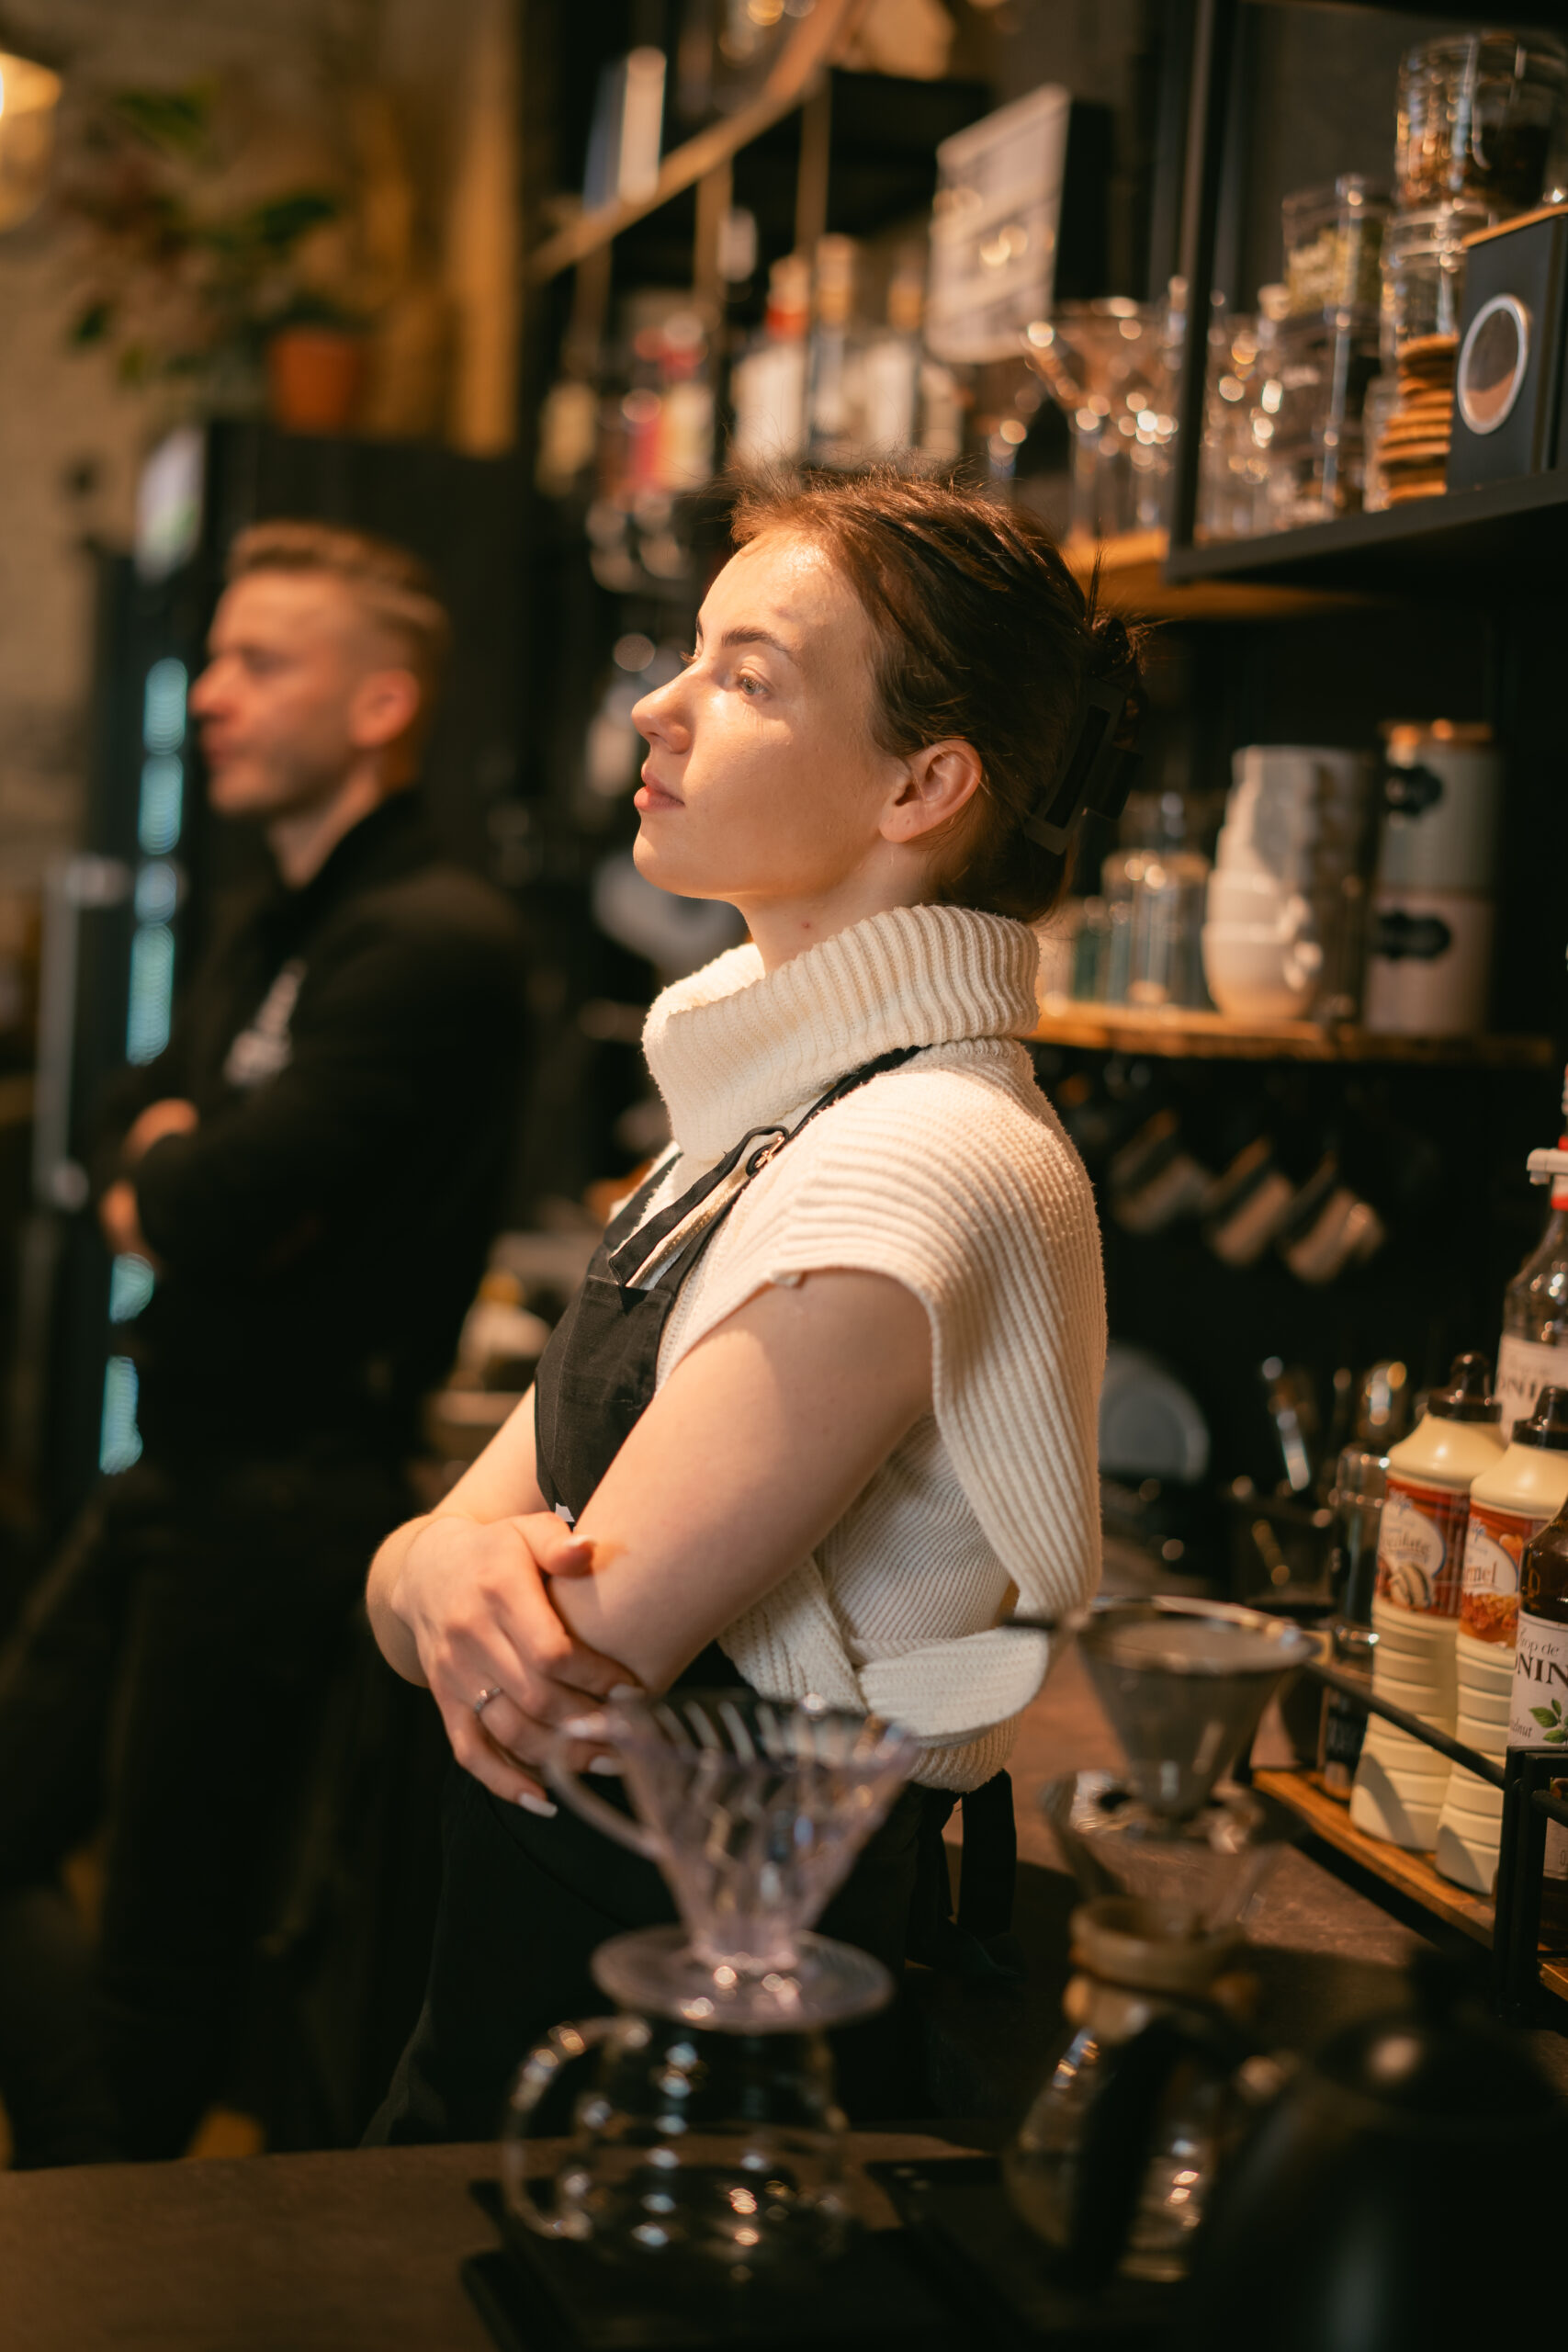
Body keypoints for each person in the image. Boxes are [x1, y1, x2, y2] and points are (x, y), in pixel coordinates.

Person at [365, 474, 1136, 2141]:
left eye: (747, 676)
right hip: (543, 1958)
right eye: (689, 656)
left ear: (923, 785)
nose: (661, 706)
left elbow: (571, 1659)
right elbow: (417, 1581)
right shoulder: (763, 1121)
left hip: (704, 2039)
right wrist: (427, 1568)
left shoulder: (921, 1155)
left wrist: (438, 1575)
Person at [0, 523, 526, 2164]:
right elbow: (130, 1121)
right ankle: (82, 2195)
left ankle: (106, 2248)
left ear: (381, 705)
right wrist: (174, 1169)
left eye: (259, 663)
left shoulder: (433, 939)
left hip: (289, 1500)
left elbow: (210, 1195)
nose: (210, 696)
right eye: (215, 659)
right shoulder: (268, 922)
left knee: (165, 1963)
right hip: (173, 1472)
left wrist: (178, 1173)